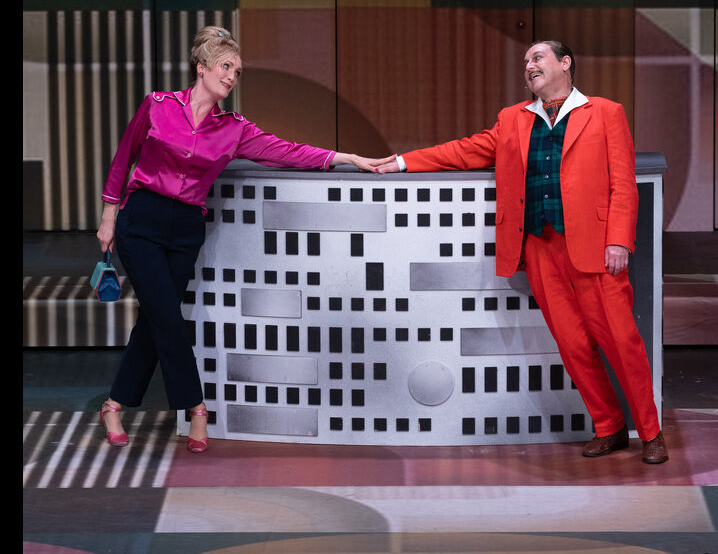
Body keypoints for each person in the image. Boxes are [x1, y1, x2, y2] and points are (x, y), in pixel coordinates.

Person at [95, 26, 388, 454]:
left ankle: (113, 405)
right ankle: (197, 407)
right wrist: (108, 215)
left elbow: (288, 151)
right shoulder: (157, 106)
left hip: (185, 229)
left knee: (158, 318)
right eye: (226, 67)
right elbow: (124, 157)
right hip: (140, 221)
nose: (232, 77)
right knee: (167, 317)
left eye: (237, 71)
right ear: (202, 67)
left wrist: (345, 158)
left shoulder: (234, 129)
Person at [376, 40, 668, 463]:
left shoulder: (606, 112)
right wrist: (403, 162)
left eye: (537, 57)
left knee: (622, 342)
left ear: (565, 63)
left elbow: (622, 183)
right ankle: (609, 427)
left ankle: (651, 432)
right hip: (540, 248)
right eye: (525, 61)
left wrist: (619, 239)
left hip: (596, 247)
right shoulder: (513, 119)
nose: (529, 65)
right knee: (573, 346)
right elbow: (465, 151)